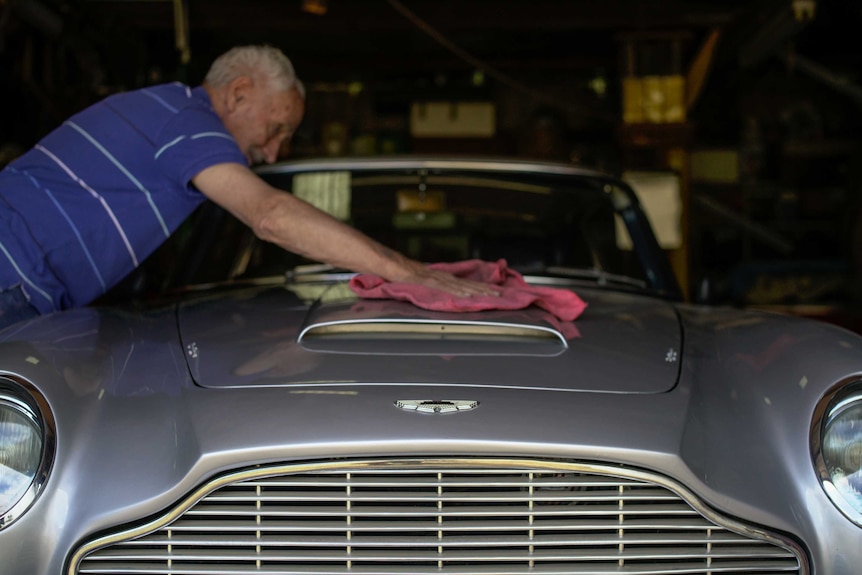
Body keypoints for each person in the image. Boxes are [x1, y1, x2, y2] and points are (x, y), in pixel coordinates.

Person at [0, 45, 496, 330]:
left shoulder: (170, 115)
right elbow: (270, 217)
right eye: (277, 129)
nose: (276, 152)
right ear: (238, 93)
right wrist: (410, 272)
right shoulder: (187, 121)